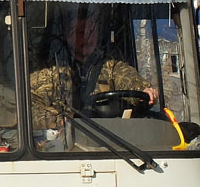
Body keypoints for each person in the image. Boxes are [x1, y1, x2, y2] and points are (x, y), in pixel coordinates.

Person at [30, 13, 159, 130]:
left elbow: (127, 77)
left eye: (91, 32)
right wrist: (66, 119)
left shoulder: (110, 67)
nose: (87, 38)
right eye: (81, 33)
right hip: (63, 148)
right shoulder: (48, 73)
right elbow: (29, 109)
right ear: (69, 36)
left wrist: (144, 90)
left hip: (110, 141)